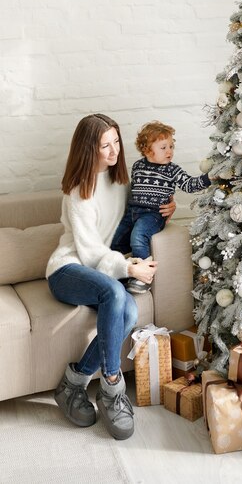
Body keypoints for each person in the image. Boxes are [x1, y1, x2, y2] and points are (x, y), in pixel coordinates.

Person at [45, 113, 175, 441]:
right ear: (89, 149)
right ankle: (113, 389)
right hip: (68, 270)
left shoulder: (120, 182)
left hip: (98, 269)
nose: (114, 150)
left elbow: (143, 207)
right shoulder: (78, 191)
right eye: (105, 145)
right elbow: (89, 253)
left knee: (129, 311)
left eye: (116, 141)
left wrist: (168, 206)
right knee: (117, 296)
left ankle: (73, 383)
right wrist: (129, 268)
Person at [111, 120, 210, 293]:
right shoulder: (138, 166)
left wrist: (210, 178)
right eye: (163, 147)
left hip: (153, 215)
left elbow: (189, 185)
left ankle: (143, 276)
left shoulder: (173, 170)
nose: (169, 151)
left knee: (138, 235)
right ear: (147, 149)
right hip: (132, 212)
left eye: (171, 146)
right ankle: (121, 274)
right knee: (116, 240)